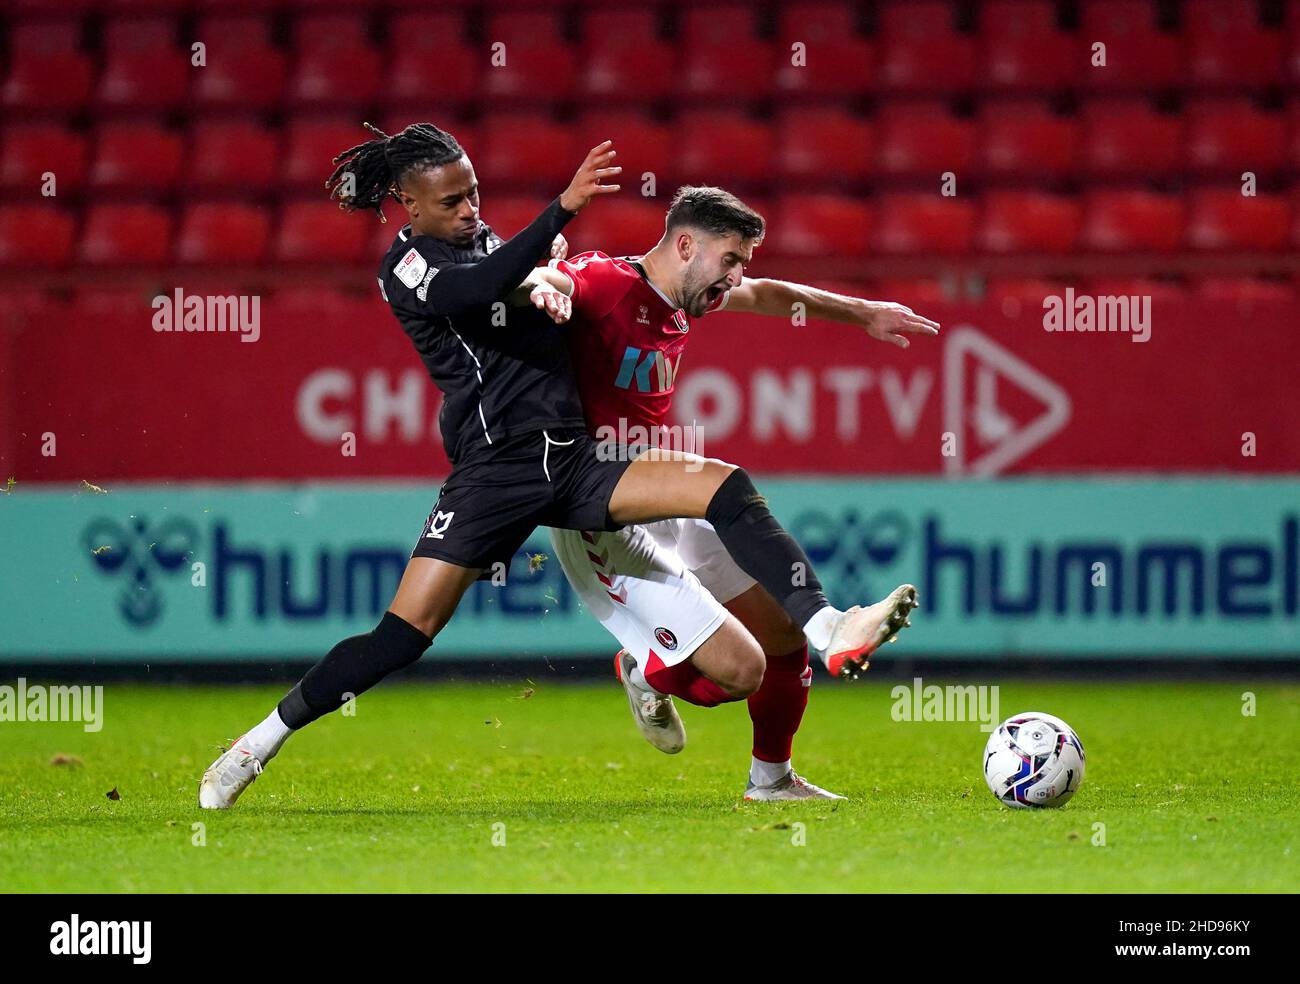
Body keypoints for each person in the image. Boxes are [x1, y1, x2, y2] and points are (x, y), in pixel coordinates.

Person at [200, 124, 915, 809]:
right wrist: (555, 246)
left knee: (725, 489)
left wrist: (861, 311)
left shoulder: (500, 246)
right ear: (409, 205)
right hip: (499, 469)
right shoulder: (410, 266)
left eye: (474, 192)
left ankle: (823, 637)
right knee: (403, 636)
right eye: (451, 201)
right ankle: (257, 744)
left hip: (580, 459)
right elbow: (479, 290)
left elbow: (535, 277)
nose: (470, 209)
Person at [514, 186, 937, 800]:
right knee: (742, 672)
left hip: (660, 488)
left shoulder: (685, 294)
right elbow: (541, 279)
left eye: (742, 262)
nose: (738, 276)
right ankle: (648, 669)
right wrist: (540, 282)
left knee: (782, 638)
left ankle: (772, 779)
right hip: (599, 512)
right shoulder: (605, 282)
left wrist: (864, 311)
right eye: (731, 260)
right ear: (686, 245)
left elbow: (772, 295)